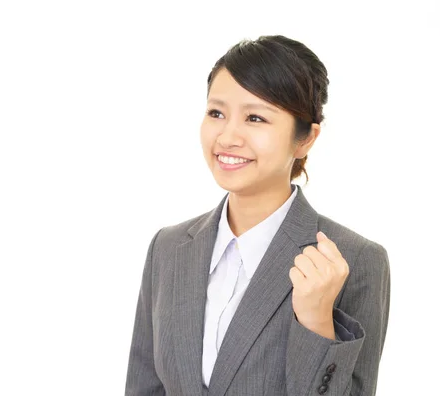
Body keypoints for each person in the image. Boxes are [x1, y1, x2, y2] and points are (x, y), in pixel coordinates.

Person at [125, 35, 391, 396]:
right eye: (216, 113)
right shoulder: (168, 248)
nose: (228, 136)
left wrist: (315, 323)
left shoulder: (352, 260)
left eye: (255, 117)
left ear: (305, 139)